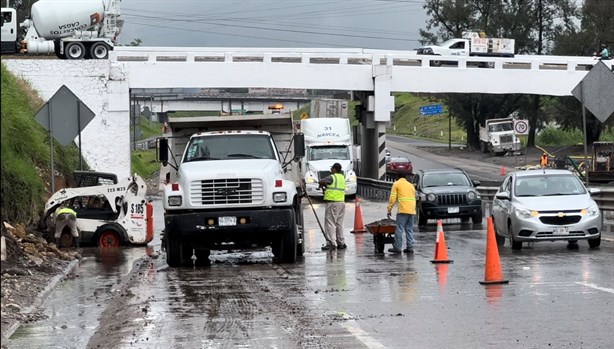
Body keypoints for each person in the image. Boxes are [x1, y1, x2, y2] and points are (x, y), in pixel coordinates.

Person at [318, 162, 346, 250]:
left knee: (330, 223)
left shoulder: (332, 177)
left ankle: (331, 243)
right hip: (341, 202)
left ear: (334, 169)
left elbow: (322, 181)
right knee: (339, 223)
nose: (331, 170)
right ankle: (341, 242)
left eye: (332, 168)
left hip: (333, 203)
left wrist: (321, 183)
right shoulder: (342, 177)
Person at [387, 172, 416, 254]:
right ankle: (410, 247)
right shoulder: (411, 185)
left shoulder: (396, 184)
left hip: (403, 210)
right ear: (405, 177)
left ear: (398, 177)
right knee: (409, 229)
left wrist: (389, 209)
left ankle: (397, 247)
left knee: (399, 229)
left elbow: (392, 198)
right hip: (411, 210)